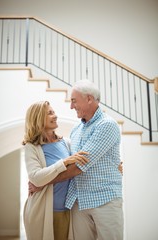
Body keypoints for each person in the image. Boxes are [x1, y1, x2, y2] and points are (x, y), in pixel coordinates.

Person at [29, 79, 124, 240]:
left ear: (89, 99)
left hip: (104, 200)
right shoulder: (76, 129)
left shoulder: (107, 125)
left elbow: (78, 166)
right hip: (78, 202)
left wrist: (43, 183)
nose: (71, 106)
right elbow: (67, 161)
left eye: (74, 101)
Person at [22, 100, 89, 240]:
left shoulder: (66, 143)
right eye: (50, 113)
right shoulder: (31, 147)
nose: (55, 116)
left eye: (54, 112)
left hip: (68, 211)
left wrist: (113, 165)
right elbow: (36, 177)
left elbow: (82, 166)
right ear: (38, 119)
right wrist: (64, 162)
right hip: (42, 211)